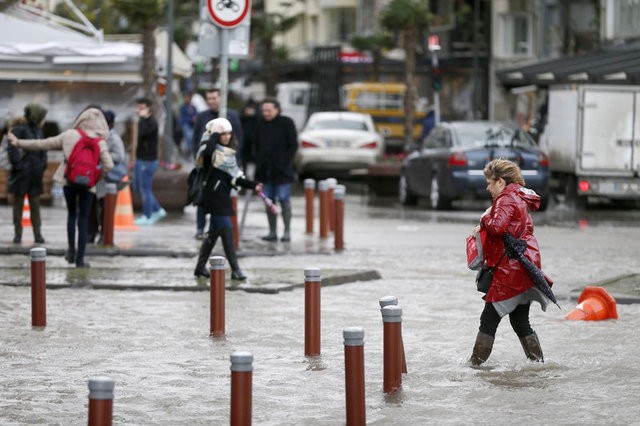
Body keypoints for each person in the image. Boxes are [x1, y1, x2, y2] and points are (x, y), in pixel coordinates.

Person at [8, 106, 114, 268]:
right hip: (88, 186)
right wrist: (95, 177)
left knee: (72, 215)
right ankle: (80, 259)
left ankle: (70, 251)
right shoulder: (100, 141)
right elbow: (109, 164)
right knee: (83, 219)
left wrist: (18, 142)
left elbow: (42, 144)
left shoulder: (70, 135)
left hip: (69, 182)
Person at [470, 158, 550, 366]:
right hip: (522, 267)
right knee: (520, 322)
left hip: (510, 272)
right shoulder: (519, 197)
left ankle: (474, 367)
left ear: (501, 182)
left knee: (488, 320)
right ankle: (538, 366)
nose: (487, 188)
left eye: (490, 183)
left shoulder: (506, 199)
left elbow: (497, 227)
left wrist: (484, 220)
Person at [193, 118, 262, 280]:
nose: (226, 136)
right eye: (222, 134)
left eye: (229, 133)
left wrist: (254, 185)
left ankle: (200, 267)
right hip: (213, 199)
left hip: (223, 198)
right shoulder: (207, 151)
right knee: (227, 230)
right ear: (214, 135)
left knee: (213, 235)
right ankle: (236, 270)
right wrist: (214, 135)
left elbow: (236, 178)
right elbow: (209, 154)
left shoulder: (228, 155)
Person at [191, 88, 244, 240]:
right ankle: (201, 229)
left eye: (214, 98)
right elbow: (196, 140)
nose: (211, 101)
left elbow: (238, 139)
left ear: (221, 98)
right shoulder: (202, 117)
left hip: (226, 165)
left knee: (222, 199)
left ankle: (219, 229)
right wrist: (199, 159)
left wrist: (235, 162)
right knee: (203, 198)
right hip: (206, 166)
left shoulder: (231, 116)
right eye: (209, 98)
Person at [254, 97, 298, 242]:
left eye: (269, 110)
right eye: (264, 110)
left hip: (282, 170)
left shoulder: (286, 123)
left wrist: (285, 162)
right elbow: (255, 144)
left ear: (277, 109)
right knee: (269, 201)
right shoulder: (260, 124)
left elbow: (293, 145)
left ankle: (286, 232)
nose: (266, 113)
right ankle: (272, 231)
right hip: (265, 171)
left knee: (284, 200)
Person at [7, 104, 48, 244]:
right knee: (18, 206)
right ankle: (18, 234)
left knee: (35, 206)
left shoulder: (38, 130)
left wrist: (42, 166)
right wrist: (20, 166)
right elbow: (12, 149)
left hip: (35, 175)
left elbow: (43, 149)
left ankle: (38, 234)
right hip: (21, 175)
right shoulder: (19, 129)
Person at [89, 110, 127, 244]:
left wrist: (103, 157)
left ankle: (105, 235)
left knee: (105, 208)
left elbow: (119, 156)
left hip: (108, 178)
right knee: (94, 206)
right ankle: (92, 234)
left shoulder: (113, 138)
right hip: (99, 178)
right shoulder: (99, 136)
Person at [133, 98, 166, 226]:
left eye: (141, 108)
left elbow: (143, 134)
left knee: (145, 189)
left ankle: (148, 215)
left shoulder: (151, 123)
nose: (138, 110)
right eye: (137, 107)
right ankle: (158, 209)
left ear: (148, 108)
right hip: (141, 159)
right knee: (139, 187)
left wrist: (142, 119)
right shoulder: (144, 122)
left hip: (148, 160)